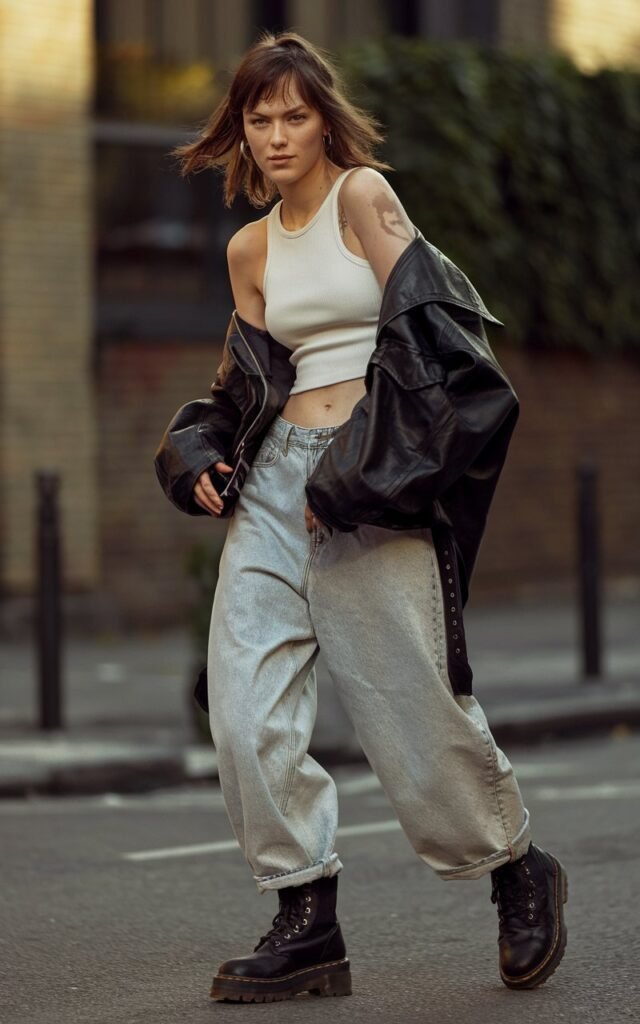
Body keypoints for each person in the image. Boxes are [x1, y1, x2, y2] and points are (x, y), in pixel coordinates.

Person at [154, 30, 568, 1004]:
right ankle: (306, 917)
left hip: (369, 479)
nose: (276, 135)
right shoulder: (249, 248)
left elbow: (433, 335)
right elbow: (245, 386)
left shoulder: (362, 197)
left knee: (409, 702)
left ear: (323, 121)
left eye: (294, 116)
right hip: (274, 490)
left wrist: (364, 473)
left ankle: (516, 869)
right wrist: (201, 451)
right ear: (240, 130)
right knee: (243, 704)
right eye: (259, 118)